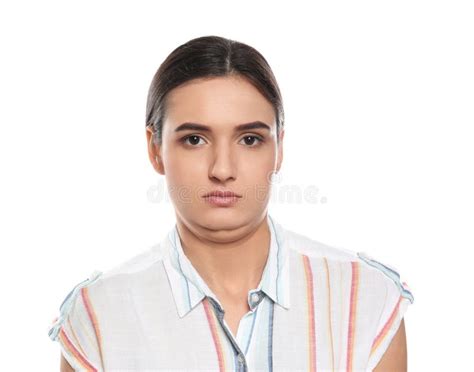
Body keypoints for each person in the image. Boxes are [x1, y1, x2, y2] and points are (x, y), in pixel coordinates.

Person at [48, 35, 414, 372]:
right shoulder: (99, 314)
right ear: (154, 149)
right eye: (194, 139)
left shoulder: (364, 298)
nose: (222, 169)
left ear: (279, 148)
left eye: (250, 139)